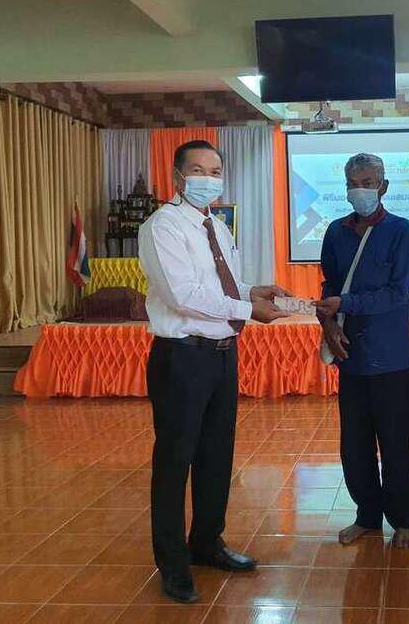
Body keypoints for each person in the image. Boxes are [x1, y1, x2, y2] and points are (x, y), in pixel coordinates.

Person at [138, 140, 291, 604]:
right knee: (175, 460)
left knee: (216, 456)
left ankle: (206, 542)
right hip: (182, 357)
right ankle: (172, 563)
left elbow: (221, 285)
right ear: (177, 176)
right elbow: (183, 295)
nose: (208, 179)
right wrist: (247, 309)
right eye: (198, 170)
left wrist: (252, 291)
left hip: (223, 354)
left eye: (216, 171)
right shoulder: (162, 226)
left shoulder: (218, 227)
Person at [314, 153, 409, 549]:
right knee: (355, 447)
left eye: (368, 182)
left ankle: (404, 521)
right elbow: (329, 285)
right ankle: (367, 516)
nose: (360, 189)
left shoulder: (401, 231)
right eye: (353, 183)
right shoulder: (335, 232)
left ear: (384, 187)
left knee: (395, 445)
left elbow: (398, 293)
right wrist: (328, 326)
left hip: (391, 358)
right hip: (351, 357)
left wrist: (345, 304)